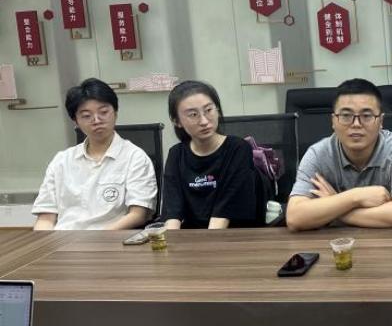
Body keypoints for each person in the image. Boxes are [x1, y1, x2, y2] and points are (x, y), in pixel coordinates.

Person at [286, 78, 392, 231]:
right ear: (333, 121)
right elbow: (294, 218)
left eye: (366, 116)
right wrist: (356, 197)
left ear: (381, 121)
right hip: (338, 241)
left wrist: (334, 206)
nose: (356, 124)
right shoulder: (318, 154)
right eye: (346, 115)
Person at [31, 78, 157, 230]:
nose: (96, 120)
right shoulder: (62, 160)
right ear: (75, 121)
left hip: (110, 240)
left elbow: (138, 215)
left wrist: (96, 239)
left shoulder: (134, 158)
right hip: (64, 240)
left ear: (115, 113)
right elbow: (45, 218)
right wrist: (44, 242)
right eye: (86, 115)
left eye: (103, 112)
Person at [162, 80, 262, 229]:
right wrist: (171, 241)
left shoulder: (238, 149)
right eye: (193, 115)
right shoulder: (176, 154)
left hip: (232, 236)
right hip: (191, 239)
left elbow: (223, 214)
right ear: (177, 121)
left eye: (208, 110)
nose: (204, 121)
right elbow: (172, 213)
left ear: (218, 110)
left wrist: (206, 243)